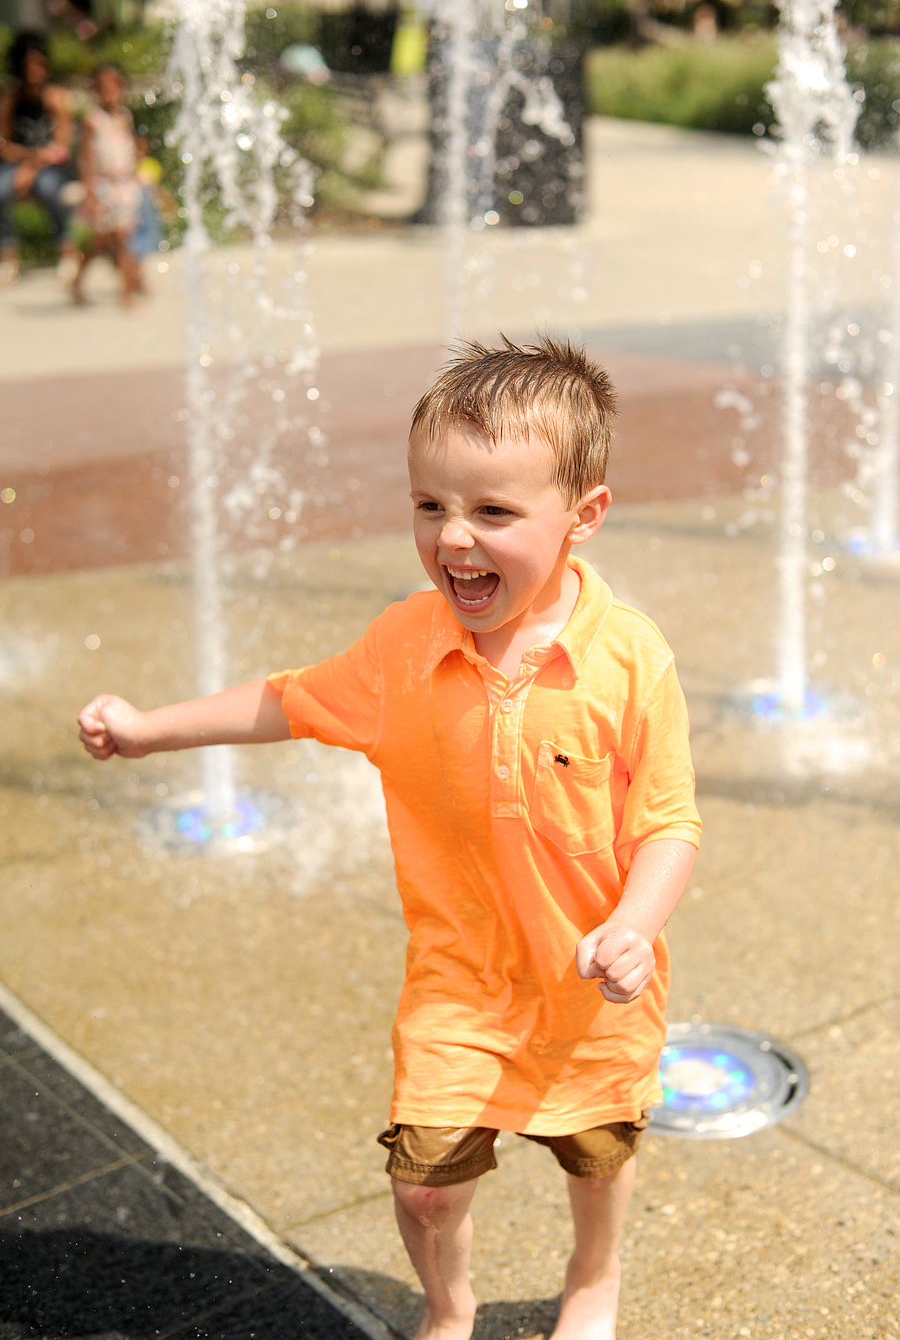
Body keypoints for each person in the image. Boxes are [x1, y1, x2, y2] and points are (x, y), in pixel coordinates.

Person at [77, 337, 701, 1340]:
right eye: (430, 505)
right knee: (424, 1188)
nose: (454, 539)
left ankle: (595, 1274)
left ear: (583, 515)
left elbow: (670, 820)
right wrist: (153, 730)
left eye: (494, 512)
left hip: (591, 988)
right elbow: (285, 701)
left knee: (599, 1150)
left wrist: (635, 921)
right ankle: (449, 1307)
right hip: (458, 983)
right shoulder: (404, 648)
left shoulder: (628, 661)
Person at [0, 31, 79, 287]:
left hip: (53, 168)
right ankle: (8, 257)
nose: (35, 71)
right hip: (21, 165)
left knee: (48, 186)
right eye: (29, 65)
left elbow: (61, 148)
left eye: (39, 64)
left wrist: (31, 166)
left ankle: (67, 250)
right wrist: (29, 160)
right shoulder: (12, 100)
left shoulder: (56, 98)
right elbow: (3, 146)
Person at [71, 63, 142, 307]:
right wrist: (89, 191)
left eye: (114, 86)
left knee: (122, 238)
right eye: (103, 87)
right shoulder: (92, 119)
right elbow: (85, 159)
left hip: (123, 186)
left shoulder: (124, 116)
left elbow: (129, 148)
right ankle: (84, 281)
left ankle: (126, 289)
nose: (109, 91)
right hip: (102, 186)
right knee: (101, 242)